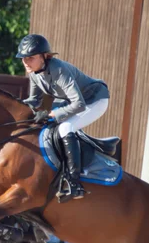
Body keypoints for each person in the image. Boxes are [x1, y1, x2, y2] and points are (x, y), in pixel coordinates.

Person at [16, 34, 110, 200]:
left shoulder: (59, 70)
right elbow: (34, 100)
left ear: (44, 56)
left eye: (30, 58)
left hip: (95, 99)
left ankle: (74, 183)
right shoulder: (34, 72)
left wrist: (51, 114)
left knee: (65, 127)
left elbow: (78, 104)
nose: (25, 62)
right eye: (23, 58)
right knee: (46, 128)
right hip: (72, 102)